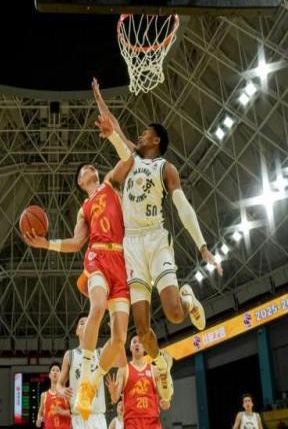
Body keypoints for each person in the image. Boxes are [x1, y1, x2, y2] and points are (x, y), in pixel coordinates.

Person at [92, 78, 222, 399]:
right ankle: (160, 362)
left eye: (145, 132)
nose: (139, 135)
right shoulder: (131, 158)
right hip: (132, 245)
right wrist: (98, 97)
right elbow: (115, 129)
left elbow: (183, 207)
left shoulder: (166, 169)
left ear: (156, 139)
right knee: (142, 329)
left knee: (176, 314)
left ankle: (188, 299)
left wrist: (202, 246)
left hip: (155, 239)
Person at [23, 136, 133, 420]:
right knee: (97, 307)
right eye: (83, 170)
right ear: (80, 182)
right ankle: (85, 376)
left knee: (119, 340)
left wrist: (114, 134)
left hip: (121, 260)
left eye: (90, 166)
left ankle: (93, 378)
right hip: (97, 257)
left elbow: (129, 159)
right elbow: (75, 243)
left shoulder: (110, 183)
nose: (89, 168)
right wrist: (46, 244)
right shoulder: (84, 210)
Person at [105, 335, 171, 429]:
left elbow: (164, 400)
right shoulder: (123, 370)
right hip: (132, 421)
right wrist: (112, 392)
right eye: (134, 342)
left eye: (140, 342)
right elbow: (115, 399)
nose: (137, 344)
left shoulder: (154, 370)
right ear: (130, 348)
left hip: (152, 420)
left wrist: (166, 402)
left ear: (144, 347)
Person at [55, 315, 108, 429]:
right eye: (82, 323)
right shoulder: (70, 355)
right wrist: (62, 390)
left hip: (97, 415)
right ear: (77, 331)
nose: (85, 324)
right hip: (78, 417)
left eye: (89, 322)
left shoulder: (100, 353)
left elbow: (119, 359)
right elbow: (58, 385)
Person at [36, 362, 71, 429]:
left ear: (61, 375)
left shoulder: (66, 393)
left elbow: (75, 413)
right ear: (49, 375)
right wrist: (39, 419)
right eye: (53, 370)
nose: (55, 372)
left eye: (57, 370)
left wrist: (62, 412)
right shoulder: (44, 395)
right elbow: (40, 413)